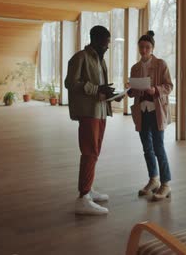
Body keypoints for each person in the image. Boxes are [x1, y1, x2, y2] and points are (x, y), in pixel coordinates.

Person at [65, 25, 122, 215]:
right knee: (89, 151)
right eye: (105, 44)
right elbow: (71, 83)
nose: (107, 48)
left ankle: (88, 189)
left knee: (95, 151)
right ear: (95, 41)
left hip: (100, 111)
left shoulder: (99, 59)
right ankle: (83, 197)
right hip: (88, 112)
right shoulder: (80, 57)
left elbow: (100, 87)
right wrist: (97, 90)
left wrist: (111, 95)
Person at [127, 30, 174, 201]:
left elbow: (169, 86)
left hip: (156, 111)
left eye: (147, 47)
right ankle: (153, 180)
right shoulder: (135, 67)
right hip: (142, 111)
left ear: (152, 48)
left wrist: (155, 90)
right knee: (147, 148)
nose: (144, 50)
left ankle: (166, 184)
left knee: (158, 147)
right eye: (141, 47)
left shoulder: (161, 64)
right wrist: (130, 90)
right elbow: (132, 92)